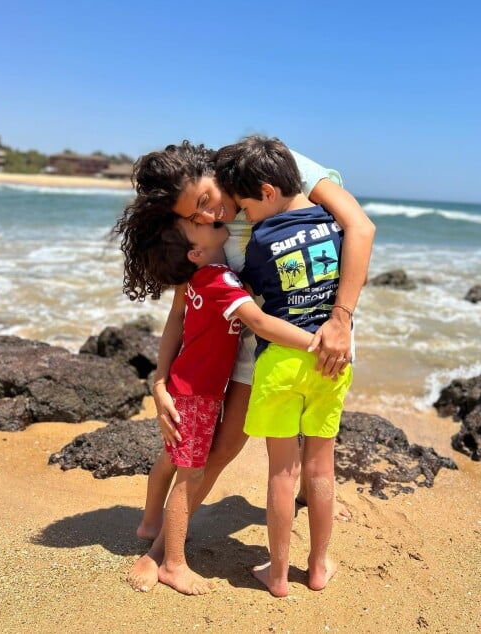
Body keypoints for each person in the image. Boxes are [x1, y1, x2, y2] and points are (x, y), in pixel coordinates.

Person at [118, 139, 375, 592]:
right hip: (254, 345)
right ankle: (161, 550)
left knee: (311, 455)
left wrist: (340, 320)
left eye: (205, 201)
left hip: (318, 329)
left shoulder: (262, 169)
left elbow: (360, 228)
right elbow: (182, 306)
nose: (207, 217)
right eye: (193, 217)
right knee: (223, 450)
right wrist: (160, 382)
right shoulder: (200, 232)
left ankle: (309, 514)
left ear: (211, 170)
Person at [120, 206, 317, 595]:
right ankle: (173, 564)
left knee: (172, 459)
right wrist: (314, 341)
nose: (210, 217)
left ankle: (148, 523)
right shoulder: (219, 279)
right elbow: (258, 323)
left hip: (189, 384)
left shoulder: (198, 277)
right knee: (190, 473)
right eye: (199, 224)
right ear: (195, 252)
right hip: (198, 393)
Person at [214, 135, 352, 596]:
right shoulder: (334, 224)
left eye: (244, 207)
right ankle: (317, 568)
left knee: (281, 472)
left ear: (268, 192)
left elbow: (252, 293)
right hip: (333, 360)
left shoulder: (259, 243)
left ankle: (276, 576)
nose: (242, 217)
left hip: (278, 365)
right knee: (321, 469)